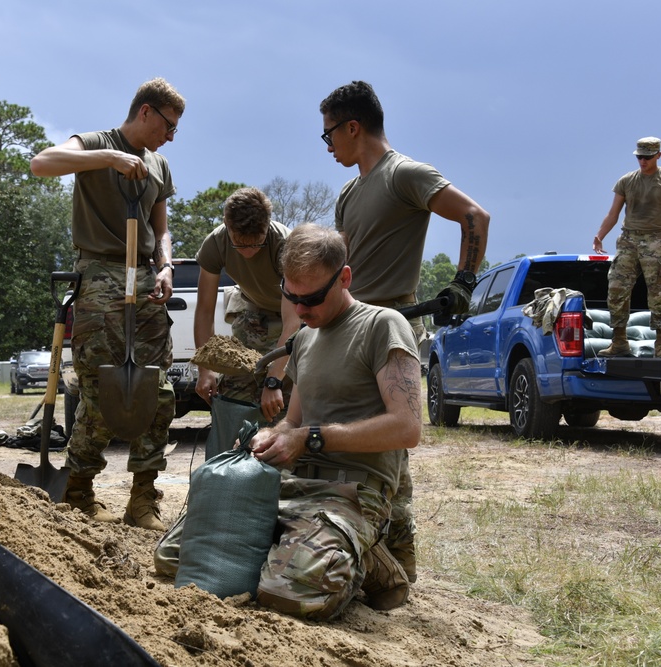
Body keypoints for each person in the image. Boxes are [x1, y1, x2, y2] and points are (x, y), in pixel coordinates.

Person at [153, 223, 424, 620]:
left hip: (350, 491)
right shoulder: (306, 338)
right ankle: (297, 545)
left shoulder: (381, 325)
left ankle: (374, 563)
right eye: (290, 296)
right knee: (175, 558)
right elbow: (292, 419)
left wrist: (309, 439)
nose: (299, 310)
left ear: (344, 277)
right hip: (288, 484)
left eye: (311, 297)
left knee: (290, 593)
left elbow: (407, 427)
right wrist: (270, 436)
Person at [319, 80, 490, 582]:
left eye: (329, 134)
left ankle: (397, 558)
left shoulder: (404, 175)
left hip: (391, 327)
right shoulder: (349, 192)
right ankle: (383, 554)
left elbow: (474, 215)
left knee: (388, 442)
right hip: (349, 327)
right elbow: (342, 267)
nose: (327, 145)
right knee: (354, 440)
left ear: (354, 127)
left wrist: (463, 282)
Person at [29, 78, 184, 531]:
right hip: (99, 276)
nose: (170, 135)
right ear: (146, 112)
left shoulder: (161, 165)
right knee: (97, 388)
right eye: (168, 125)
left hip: (144, 277)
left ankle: (142, 499)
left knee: (158, 390)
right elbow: (41, 163)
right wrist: (110, 158)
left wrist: (167, 265)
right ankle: (78, 492)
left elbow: (163, 228)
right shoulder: (97, 144)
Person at [194, 187, 299, 421]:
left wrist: (274, 380)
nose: (249, 251)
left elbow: (293, 321)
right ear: (226, 225)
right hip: (252, 310)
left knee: (286, 391)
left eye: (257, 243)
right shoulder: (216, 243)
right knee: (237, 385)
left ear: (267, 226)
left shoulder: (285, 244)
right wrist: (205, 369)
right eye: (240, 243)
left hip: (293, 314)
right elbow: (204, 311)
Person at [593, 137, 661, 359]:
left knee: (658, 293)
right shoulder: (627, 180)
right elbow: (613, 213)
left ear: (658, 155)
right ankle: (618, 342)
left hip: (656, 239)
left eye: (647, 157)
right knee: (616, 289)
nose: (643, 161)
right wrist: (599, 235)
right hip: (628, 239)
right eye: (639, 157)